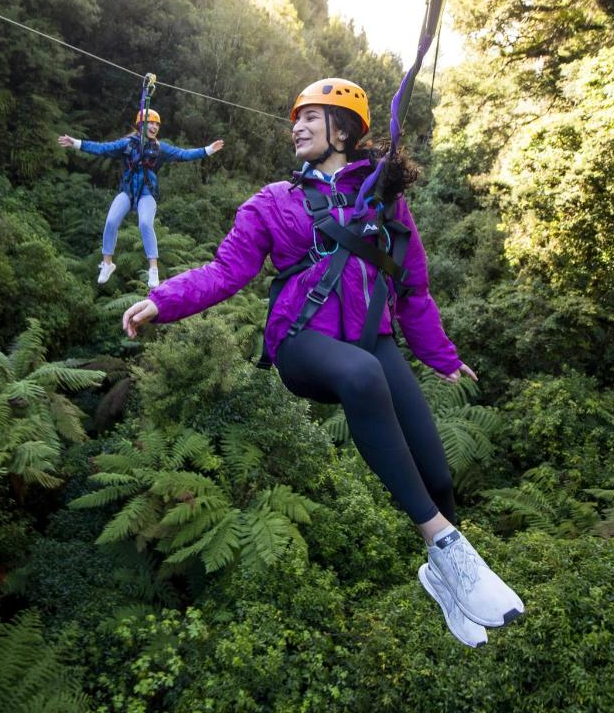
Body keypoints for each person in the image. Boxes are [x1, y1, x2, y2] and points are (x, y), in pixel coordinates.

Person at [120, 78, 524, 648]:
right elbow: (224, 272)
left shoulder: (383, 200)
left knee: (437, 472)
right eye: (296, 119)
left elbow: (413, 289)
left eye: (311, 117)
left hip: (373, 339)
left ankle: (444, 580)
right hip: (302, 341)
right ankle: (445, 547)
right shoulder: (272, 202)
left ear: (343, 128)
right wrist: (164, 301)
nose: (297, 127)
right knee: (362, 376)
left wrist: (441, 356)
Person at [58, 110, 224, 288]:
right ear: (141, 125)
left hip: (147, 193)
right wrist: (75, 143)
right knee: (111, 221)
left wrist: (207, 150)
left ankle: (153, 270)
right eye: (151, 123)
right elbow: (102, 149)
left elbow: (183, 154)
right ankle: (107, 263)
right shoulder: (127, 144)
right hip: (128, 191)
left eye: (157, 124)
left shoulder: (160, 148)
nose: (154, 127)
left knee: (145, 223)